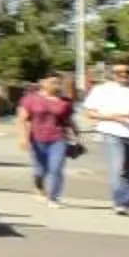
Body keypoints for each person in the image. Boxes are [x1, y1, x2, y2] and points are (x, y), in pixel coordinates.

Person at [79, 61, 129, 217]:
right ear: (112, 74)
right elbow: (90, 113)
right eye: (119, 72)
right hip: (112, 133)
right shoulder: (101, 90)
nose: (124, 75)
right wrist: (113, 117)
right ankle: (120, 203)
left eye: (127, 72)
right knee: (117, 169)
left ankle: (128, 200)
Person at [18, 73, 76, 208]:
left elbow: (68, 120)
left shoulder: (64, 101)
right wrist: (23, 138)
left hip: (58, 138)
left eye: (58, 82)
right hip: (37, 138)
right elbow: (22, 119)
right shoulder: (31, 99)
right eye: (52, 82)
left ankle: (53, 198)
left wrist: (76, 134)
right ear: (43, 83)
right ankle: (39, 188)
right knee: (40, 170)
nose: (56, 85)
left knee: (56, 168)